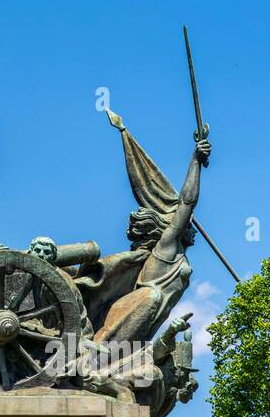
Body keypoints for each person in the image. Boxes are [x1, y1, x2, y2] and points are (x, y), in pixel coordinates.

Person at [85, 111, 211, 345]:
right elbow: (186, 201)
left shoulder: (167, 254)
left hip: (143, 326)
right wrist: (195, 161)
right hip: (136, 313)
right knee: (152, 297)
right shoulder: (166, 249)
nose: (192, 228)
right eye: (187, 224)